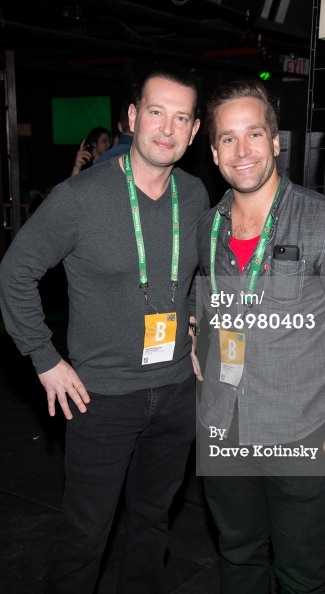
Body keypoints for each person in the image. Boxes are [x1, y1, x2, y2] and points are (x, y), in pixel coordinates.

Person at [0, 62, 209, 594]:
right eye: (156, 112)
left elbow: (196, 273)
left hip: (176, 392)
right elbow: (15, 272)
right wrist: (44, 358)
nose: (166, 128)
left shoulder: (195, 196)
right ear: (133, 118)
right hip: (102, 401)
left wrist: (194, 323)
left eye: (180, 118)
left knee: (152, 525)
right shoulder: (80, 198)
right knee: (85, 534)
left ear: (193, 131)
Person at [196, 79, 325, 594]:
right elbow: (214, 309)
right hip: (223, 425)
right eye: (228, 139)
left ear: (276, 142)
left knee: (303, 573)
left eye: (254, 134)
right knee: (237, 556)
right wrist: (199, 346)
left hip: (301, 430)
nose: (243, 151)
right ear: (214, 152)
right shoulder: (207, 228)